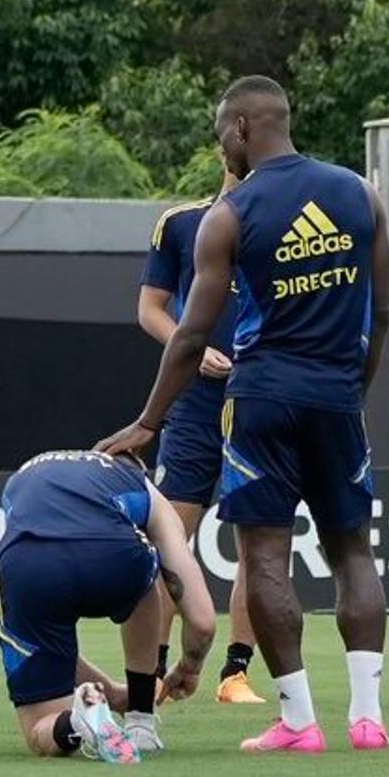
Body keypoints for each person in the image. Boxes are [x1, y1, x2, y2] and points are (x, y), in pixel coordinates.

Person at [153, 78, 389, 753]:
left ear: (238, 130)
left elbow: (192, 336)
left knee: (264, 555)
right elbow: (383, 317)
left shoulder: (229, 214)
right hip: (337, 394)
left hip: (261, 398)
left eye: (219, 138)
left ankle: (298, 721)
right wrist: (351, 390)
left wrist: (149, 420)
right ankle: (369, 719)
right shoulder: (360, 194)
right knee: (353, 551)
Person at [0, 449, 220, 762]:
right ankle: (141, 721)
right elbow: (203, 621)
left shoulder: (24, 474)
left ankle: (78, 720)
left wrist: (110, 695)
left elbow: (48, 650)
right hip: (113, 558)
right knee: (146, 580)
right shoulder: (144, 489)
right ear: (140, 472)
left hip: (28, 568)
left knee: (39, 728)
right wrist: (188, 667)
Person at [132, 183, 256, 708]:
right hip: (193, 404)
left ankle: (237, 673)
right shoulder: (181, 222)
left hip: (258, 398)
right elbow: (150, 309)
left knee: (259, 539)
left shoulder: (278, 220)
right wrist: (193, 345)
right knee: (168, 536)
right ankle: (153, 667)